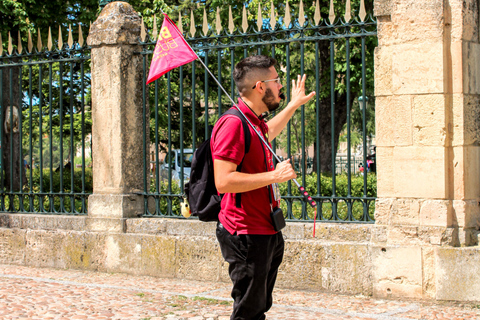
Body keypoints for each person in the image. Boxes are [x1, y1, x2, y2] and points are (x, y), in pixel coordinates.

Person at [210, 55, 315, 320]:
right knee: (248, 312)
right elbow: (223, 181)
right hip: (245, 233)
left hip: (265, 229)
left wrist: (291, 105)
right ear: (260, 87)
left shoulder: (253, 121)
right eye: (276, 80)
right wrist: (273, 176)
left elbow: (267, 133)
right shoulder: (233, 123)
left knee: (259, 307)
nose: (280, 85)